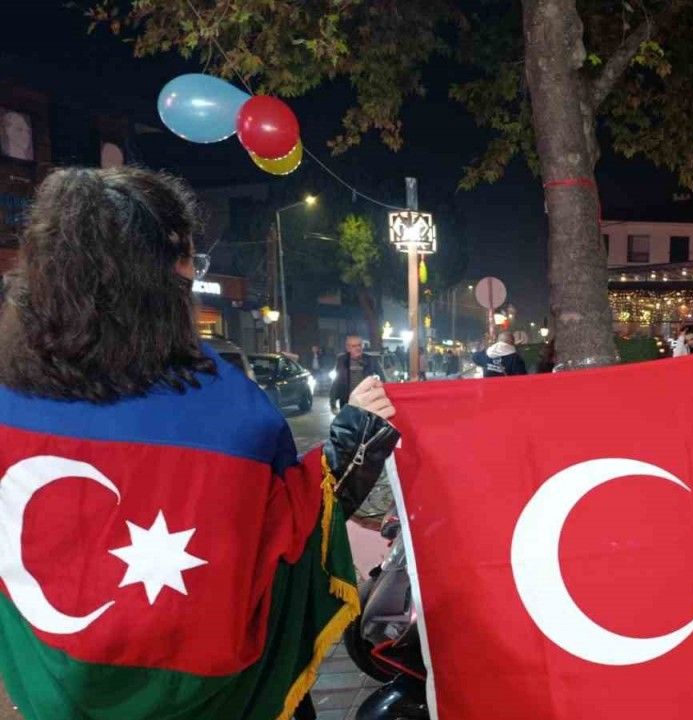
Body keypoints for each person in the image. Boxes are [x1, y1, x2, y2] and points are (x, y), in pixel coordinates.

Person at [0, 167, 399, 719]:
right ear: (161, 270)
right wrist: (353, 440)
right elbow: (287, 545)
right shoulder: (227, 411)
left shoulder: (9, 403)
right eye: (191, 259)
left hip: (56, 692)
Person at [330, 334, 385, 410]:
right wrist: (332, 401)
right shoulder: (342, 360)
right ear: (348, 348)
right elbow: (337, 382)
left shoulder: (371, 360)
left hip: (366, 402)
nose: (358, 348)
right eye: (354, 346)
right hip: (346, 401)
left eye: (359, 345)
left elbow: (383, 380)